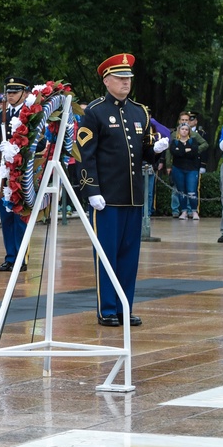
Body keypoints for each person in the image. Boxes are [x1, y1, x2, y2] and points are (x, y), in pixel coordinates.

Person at [78, 53, 167, 327]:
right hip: (107, 197)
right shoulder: (94, 112)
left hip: (133, 197)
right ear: (106, 81)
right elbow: (85, 154)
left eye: (128, 78)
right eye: (119, 78)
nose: (125, 82)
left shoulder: (139, 111)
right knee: (107, 256)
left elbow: (142, 153)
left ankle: (124, 308)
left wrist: (156, 151)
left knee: (129, 258)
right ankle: (107, 309)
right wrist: (91, 188)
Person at [0, 77, 32, 272]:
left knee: (20, 214)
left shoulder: (30, 115)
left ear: (24, 93)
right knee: (6, 215)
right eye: (9, 92)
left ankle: (21, 257)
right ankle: (10, 256)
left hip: (21, 172)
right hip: (4, 171)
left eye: (15, 92)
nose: (11, 95)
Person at [171, 122, 201, 220]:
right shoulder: (175, 142)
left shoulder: (193, 141)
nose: (184, 131)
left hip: (191, 169)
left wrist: (182, 150)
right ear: (179, 130)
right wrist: (186, 150)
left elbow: (194, 152)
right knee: (181, 191)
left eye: (186, 129)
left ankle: (193, 211)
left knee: (192, 191)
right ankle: (183, 211)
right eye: (182, 129)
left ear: (189, 131)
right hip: (178, 168)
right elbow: (175, 153)